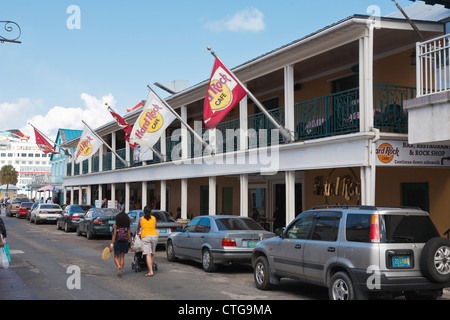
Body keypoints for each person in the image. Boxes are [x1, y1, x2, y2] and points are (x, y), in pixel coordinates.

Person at [136, 205, 158, 277]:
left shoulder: (141, 219)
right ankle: (151, 269)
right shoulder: (154, 218)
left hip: (145, 237)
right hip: (154, 236)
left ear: (144, 212)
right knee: (152, 254)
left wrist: (137, 233)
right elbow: (154, 226)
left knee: (148, 254)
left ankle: (150, 271)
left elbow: (138, 228)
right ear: (150, 211)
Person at [109, 210, 133, 277]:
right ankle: (121, 270)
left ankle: (119, 266)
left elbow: (114, 235)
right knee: (122, 257)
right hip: (124, 242)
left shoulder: (116, 225)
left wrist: (111, 245)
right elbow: (129, 235)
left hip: (117, 242)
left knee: (116, 257)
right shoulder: (127, 226)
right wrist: (131, 244)